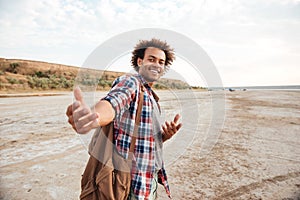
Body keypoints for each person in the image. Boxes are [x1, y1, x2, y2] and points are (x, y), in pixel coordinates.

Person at [66, 38, 182, 199]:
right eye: (151, 59)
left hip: (149, 181)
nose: (157, 64)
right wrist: (94, 117)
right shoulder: (131, 82)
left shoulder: (151, 96)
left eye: (161, 62)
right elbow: (113, 102)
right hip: (129, 185)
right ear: (140, 61)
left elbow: (142, 139)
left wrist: (163, 137)